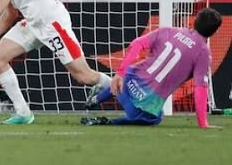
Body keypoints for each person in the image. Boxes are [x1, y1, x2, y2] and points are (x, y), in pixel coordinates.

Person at [83, 7, 223, 129]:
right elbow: (200, 88)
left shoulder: (169, 31)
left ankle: (96, 100)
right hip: (142, 105)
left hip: (127, 84)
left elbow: (137, 43)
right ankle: (107, 123)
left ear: (195, 20)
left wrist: (120, 73)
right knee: (156, 117)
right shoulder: (203, 53)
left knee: (129, 74)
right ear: (215, 32)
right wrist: (203, 123)